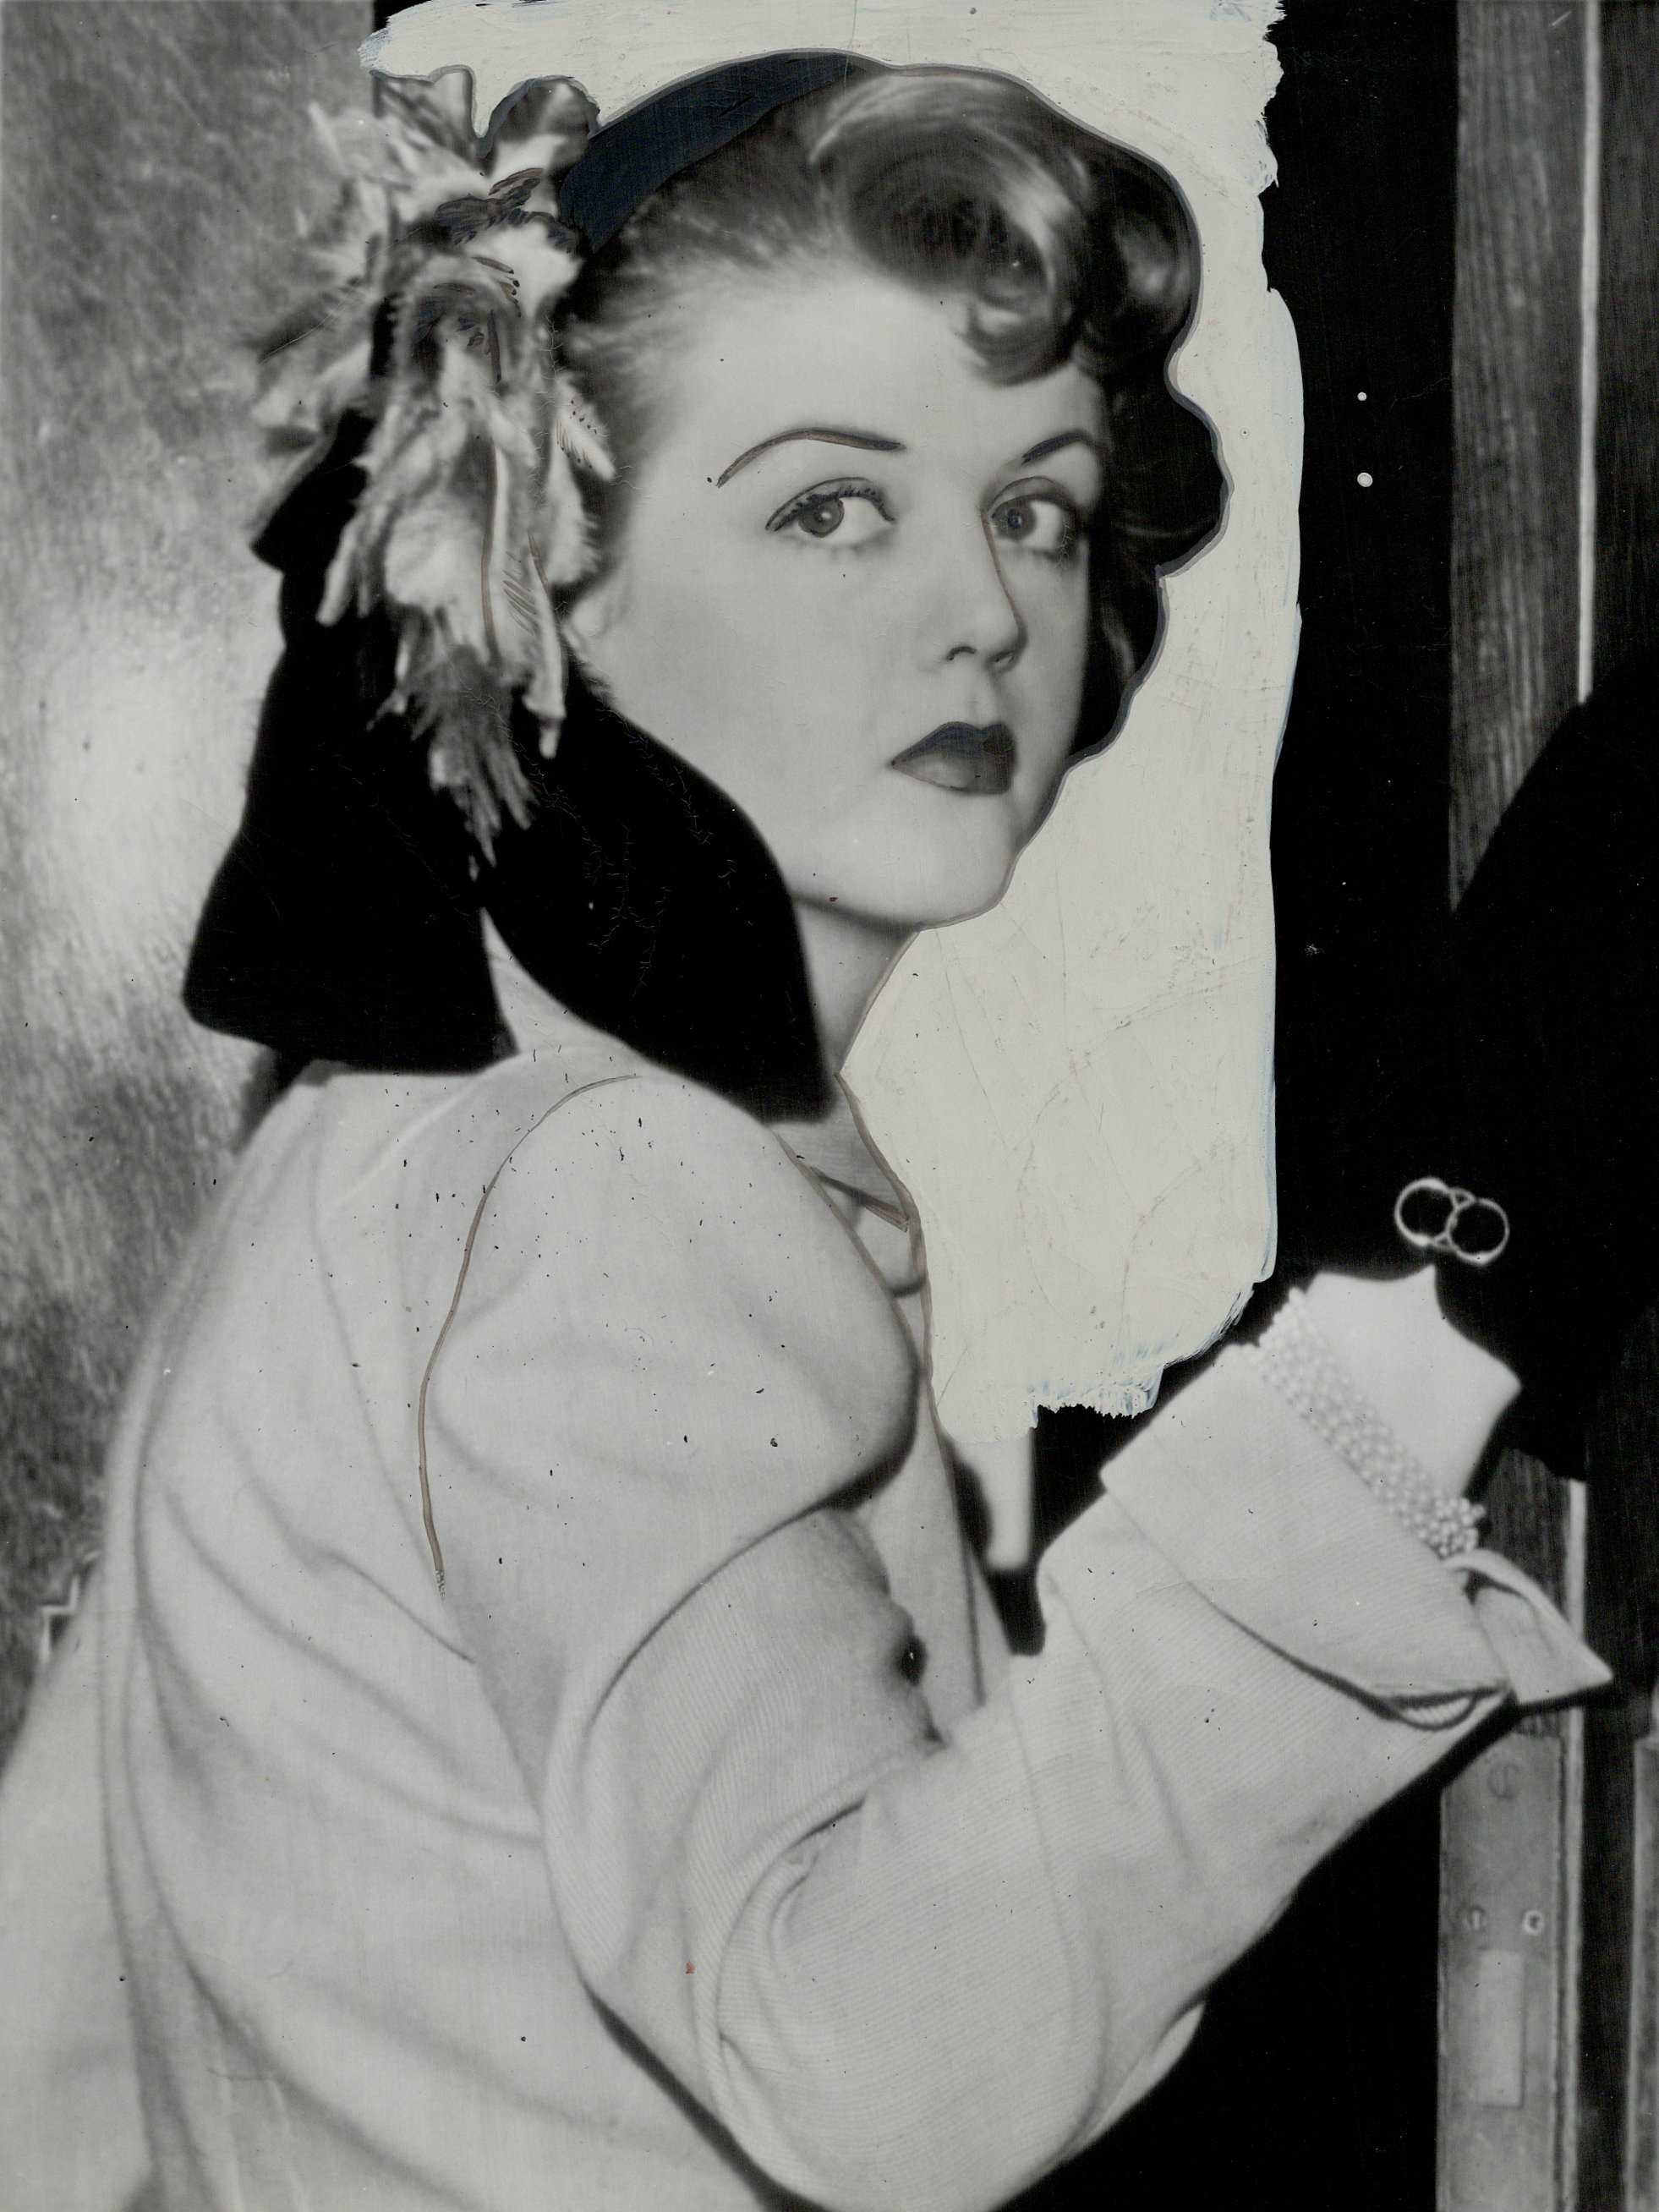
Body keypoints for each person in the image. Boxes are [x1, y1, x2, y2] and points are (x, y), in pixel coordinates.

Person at [0, 48, 1625, 2212]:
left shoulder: (380, 1122)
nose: (982, 608)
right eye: (828, 504)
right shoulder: (603, 1181)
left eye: (1032, 505)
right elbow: (877, 2064)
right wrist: (1450, 1291)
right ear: (538, 580)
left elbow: (51, 2041)